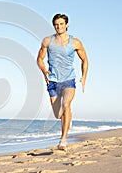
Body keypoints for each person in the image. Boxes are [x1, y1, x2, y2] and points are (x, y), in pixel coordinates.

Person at [37, 14, 89, 150]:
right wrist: (44, 71)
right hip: (53, 80)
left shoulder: (75, 42)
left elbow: (85, 60)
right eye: (56, 24)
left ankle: (63, 140)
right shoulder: (47, 41)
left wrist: (84, 77)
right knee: (57, 114)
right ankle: (67, 118)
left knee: (66, 104)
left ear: (67, 25)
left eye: (61, 24)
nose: (58, 26)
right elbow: (39, 59)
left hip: (68, 80)